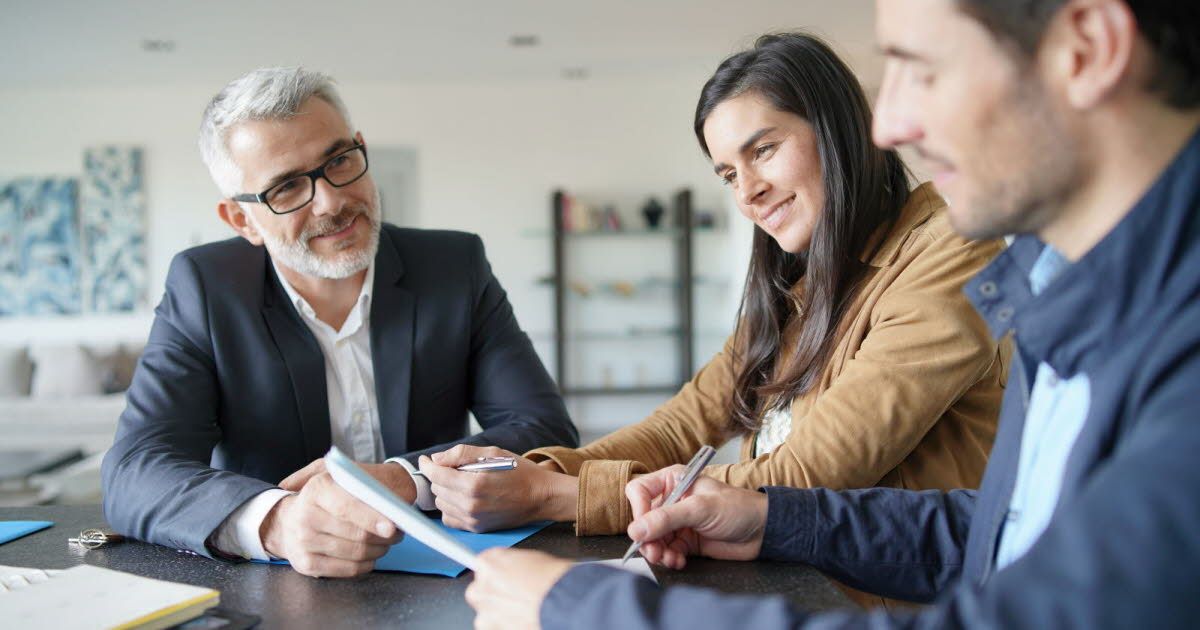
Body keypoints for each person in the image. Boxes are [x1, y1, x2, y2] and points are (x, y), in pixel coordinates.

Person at [465, 0, 1200, 627]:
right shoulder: (1073, 293)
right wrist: (767, 519)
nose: (892, 124)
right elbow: (998, 532)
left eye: (924, 70)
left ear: (1088, 49)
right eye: (728, 173)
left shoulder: (975, 258)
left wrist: (585, 595)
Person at [424, 32, 1008, 604]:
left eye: (763, 150)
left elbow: (807, 477)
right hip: (801, 593)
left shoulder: (952, 255)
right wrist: (521, 472)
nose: (747, 192)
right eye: (729, 173)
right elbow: (677, 428)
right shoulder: (802, 284)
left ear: (839, 131)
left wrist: (555, 495)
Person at [100, 67, 578, 578]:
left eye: (339, 161)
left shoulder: (454, 266)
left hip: (449, 573)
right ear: (242, 220)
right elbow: (135, 470)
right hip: (277, 584)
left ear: (361, 149)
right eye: (286, 188)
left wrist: (402, 479)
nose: (332, 201)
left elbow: (543, 430)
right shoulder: (206, 287)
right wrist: (277, 523)